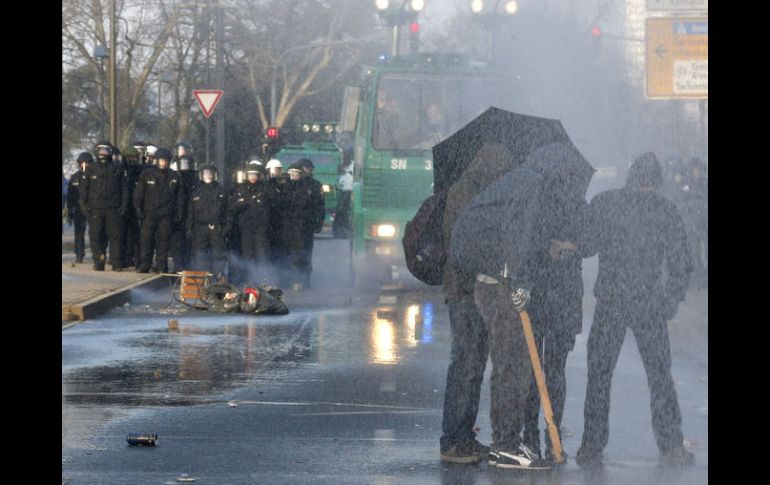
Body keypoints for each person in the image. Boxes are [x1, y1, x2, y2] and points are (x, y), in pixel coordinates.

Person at [575, 152, 695, 468]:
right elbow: (682, 262)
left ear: (630, 176)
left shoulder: (607, 203)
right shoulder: (665, 210)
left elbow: (586, 246)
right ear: (657, 181)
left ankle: (591, 445)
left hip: (611, 301)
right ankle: (671, 445)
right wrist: (670, 299)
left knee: (599, 375)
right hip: (649, 302)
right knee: (659, 376)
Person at [439, 143, 513, 464]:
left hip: (481, 291)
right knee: (465, 365)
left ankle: (464, 436)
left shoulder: (485, 193)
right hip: (464, 291)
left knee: (475, 366)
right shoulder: (464, 193)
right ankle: (452, 439)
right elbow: (458, 243)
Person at [521, 197, 587, 464]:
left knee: (538, 370)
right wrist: (557, 247)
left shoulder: (533, 204)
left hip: (544, 301)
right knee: (551, 371)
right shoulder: (576, 206)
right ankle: (549, 434)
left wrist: (562, 247)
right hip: (556, 301)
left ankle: (534, 435)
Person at [133, 148, 184, 273]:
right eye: (161, 160)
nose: (163, 163)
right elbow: (139, 193)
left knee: (163, 241)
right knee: (146, 240)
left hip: (166, 214)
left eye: (166, 160)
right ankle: (145, 264)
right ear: (156, 160)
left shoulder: (174, 176)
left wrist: (179, 212)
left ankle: (161, 265)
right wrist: (138, 208)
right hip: (149, 213)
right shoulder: (147, 174)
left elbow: (180, 197)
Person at [80, 141, 128, 271]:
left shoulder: (117, 168)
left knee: (115, 236)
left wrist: (124, 204)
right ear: (96, 152)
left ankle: (116, 263)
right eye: (100, 151)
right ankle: (99, 261)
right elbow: (84, 189)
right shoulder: (91, 169)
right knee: (96, 237)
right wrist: (84, 205)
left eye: (105, 151)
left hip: (113, 209)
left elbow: (124, 188)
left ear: (110, 152)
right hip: (95, 209)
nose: (103, 153)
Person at [230, 159, 272, 284]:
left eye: (255, 175)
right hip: (246, 228)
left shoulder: (264, 190)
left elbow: (270, 208)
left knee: (262, 254)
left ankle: (263, 278)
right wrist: (242, 204)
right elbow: (233, 207)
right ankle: (248, 278)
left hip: (261, 228)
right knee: (247, 255)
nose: (253, 177)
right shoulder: (240, 189)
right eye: (250, 174)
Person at [187, 164, 228, 278]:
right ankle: (204, 279)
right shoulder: (196, 191)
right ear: (201, 175)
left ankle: (218, 278)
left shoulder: (221, 191)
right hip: (200, 228)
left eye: (210, 173)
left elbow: (227, 212)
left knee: (219, 255)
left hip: (217, 227)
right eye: (206, 173)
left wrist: (225, 229)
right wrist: (189, 228)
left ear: (215, 175)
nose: (208, 175)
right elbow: (191, 212)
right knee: (201, 255)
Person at [297, 158, 325, 287]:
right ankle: (295, 276)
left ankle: (305, 278)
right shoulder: (294, 184)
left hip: (308, 224)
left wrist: (319, 222)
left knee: (306, 251)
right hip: (295, 224)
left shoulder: (315, 185)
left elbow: (320, 206)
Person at [67, 152, 94, 264]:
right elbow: (70, 196)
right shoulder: (75, 177)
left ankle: (96, 254)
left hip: (92, 207)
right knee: (79, 233)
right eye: (82, 163)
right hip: (78, 208)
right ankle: (79, 254)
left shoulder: (94, 176)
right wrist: (69, 210)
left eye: (86, 163)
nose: (84, 165)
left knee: (95, 233)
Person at [332, 164, 353, 239]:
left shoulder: (349, 177)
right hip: (341, 196)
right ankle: (339, 233)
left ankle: (343, 233)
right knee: (340, 216)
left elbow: (348, 189)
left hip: (346, 195)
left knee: (342, 215)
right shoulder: (340, 177)